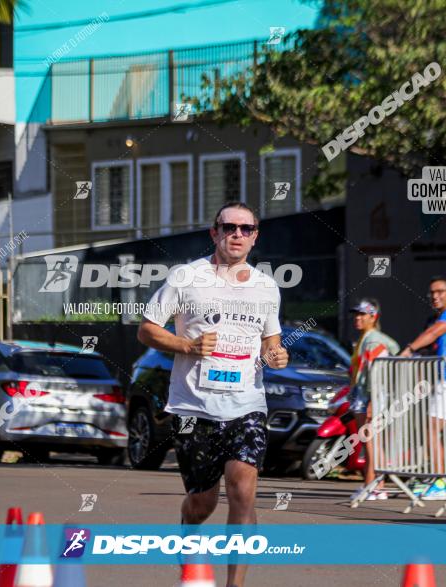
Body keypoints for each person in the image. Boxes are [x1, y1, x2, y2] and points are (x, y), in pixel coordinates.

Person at [138, 201, 287, 587]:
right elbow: (147, 329)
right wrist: (185, 346)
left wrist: (276, 353)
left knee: (243, 491)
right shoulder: (186, 277)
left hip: (247, 404)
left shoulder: (266, 286)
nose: (237, 235)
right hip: (194, 406)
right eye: (230, 227)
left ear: (255, 237)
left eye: (246, 229)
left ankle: (233, 584)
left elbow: (270, 340)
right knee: (203, 503)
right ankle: (189, 523)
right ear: (214, 232)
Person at [399, 276, 446, 500]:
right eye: (432, 292)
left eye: (440, 291)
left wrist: (409, 349)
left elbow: (434, 332)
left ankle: (440, 481)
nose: (435, 296)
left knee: (432, 428)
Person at [346, 299, 400, 501]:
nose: (357, 318)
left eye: (362, 314)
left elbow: (377, 373)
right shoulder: (365, 338)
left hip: (370, 395)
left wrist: (371, 402)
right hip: (365, 395)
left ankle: (375, 485)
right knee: (369, 440)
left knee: (371, 441)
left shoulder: (373, 341)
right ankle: (373, 484)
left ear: (373, 317)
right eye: (356, 314)